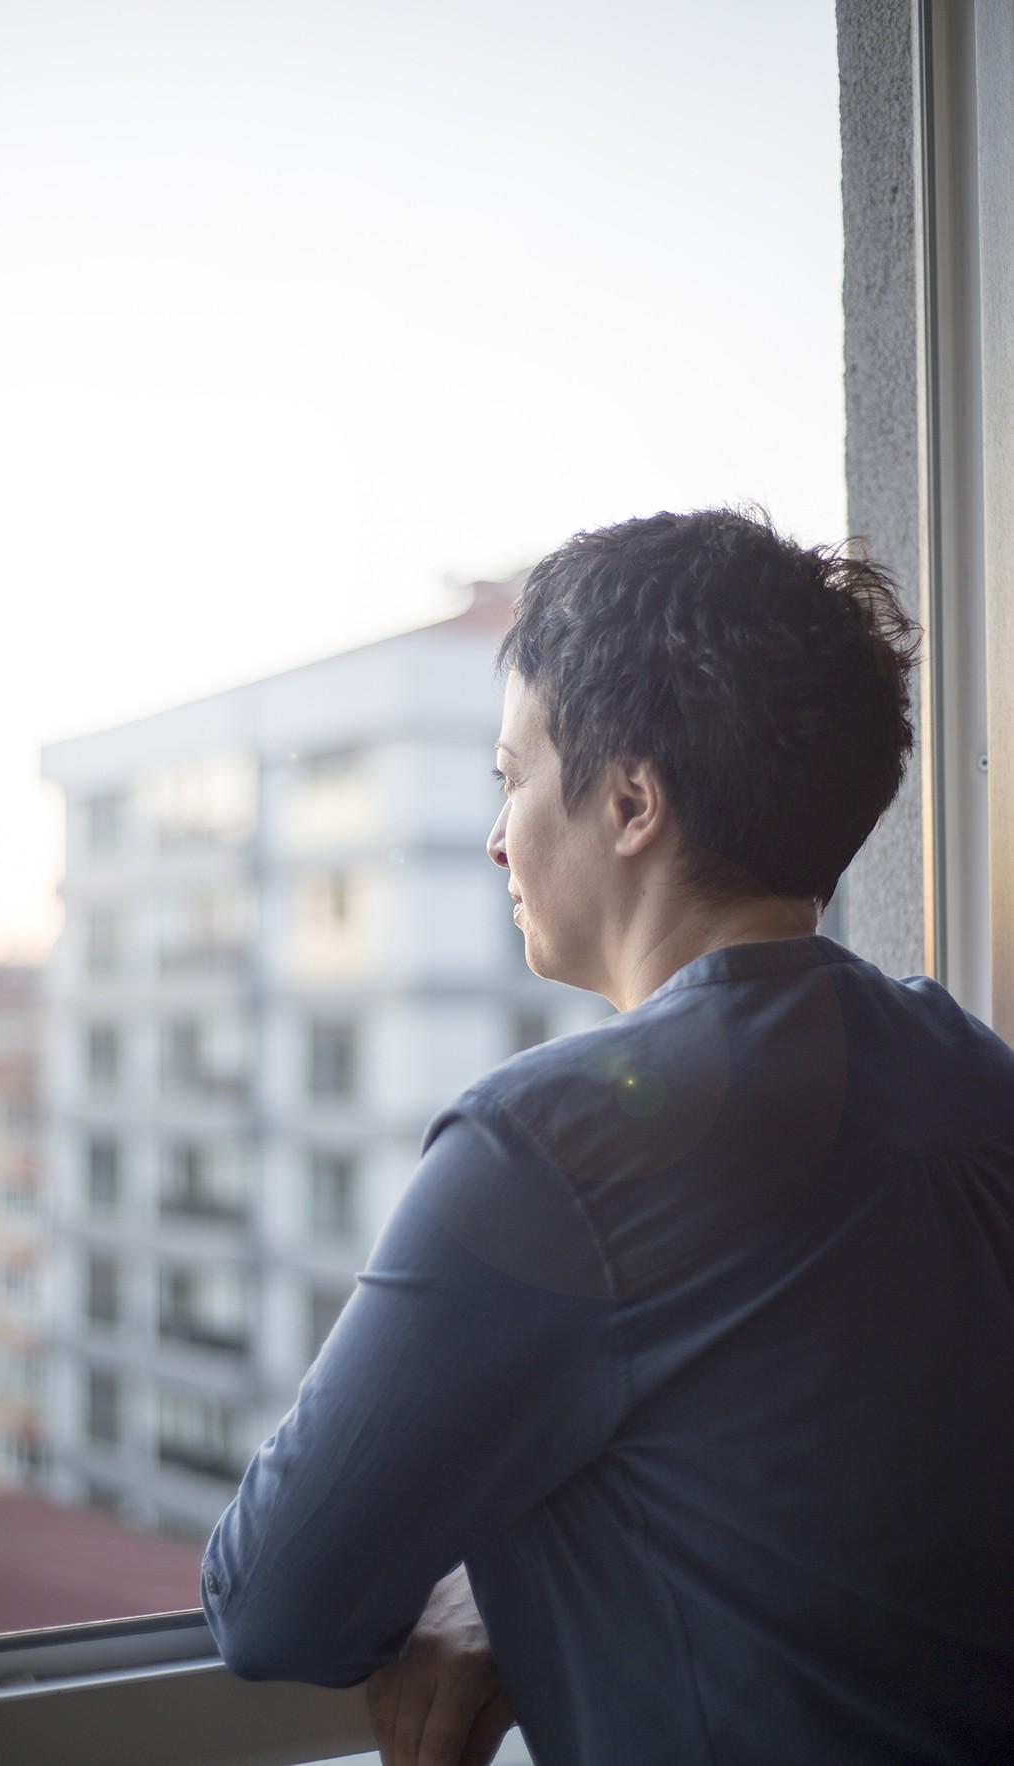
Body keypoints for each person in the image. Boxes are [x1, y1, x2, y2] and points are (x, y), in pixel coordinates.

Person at [201, 508, 1014, 1765]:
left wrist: (500, 1573)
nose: (497, 835)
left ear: (632, 801)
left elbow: (274, 1602)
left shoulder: (549, 1149)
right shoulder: (972, 1071)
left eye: (511, 775)